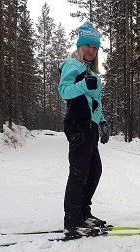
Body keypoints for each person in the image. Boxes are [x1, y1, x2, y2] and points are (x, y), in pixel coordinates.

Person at [58, 22, 109, 238]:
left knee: (94, 171)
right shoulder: (72, 64)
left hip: (90, 126)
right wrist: (81, 86)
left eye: (95, 47)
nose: (91, 50)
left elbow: (95, 100)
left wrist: (103, 122)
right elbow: (63, 91)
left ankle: (83, 212)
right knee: (79, 173)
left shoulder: (91, 72)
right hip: (78, 123)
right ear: (80, 45)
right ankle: (72, 220)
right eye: (87, 45)